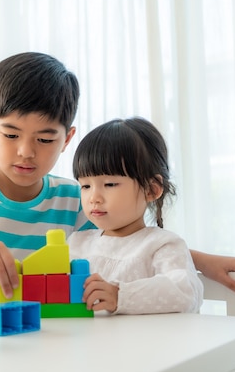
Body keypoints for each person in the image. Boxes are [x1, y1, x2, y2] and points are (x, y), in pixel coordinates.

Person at [0, 51, 235, 300]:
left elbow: (127, 244)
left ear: (68, 138)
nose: (26, 151)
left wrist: (203, 261)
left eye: (45, 139)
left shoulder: (76, 197)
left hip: (42, 339)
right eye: (10, 135)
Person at [68, 117, 202, 314]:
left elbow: (186, 291)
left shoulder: (161, 244)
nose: (93, 198)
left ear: (151, 190)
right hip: (90, 343)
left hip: (145, 344)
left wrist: (120, 295)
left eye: (110, 184)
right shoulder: (77, 243)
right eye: (86, 186)